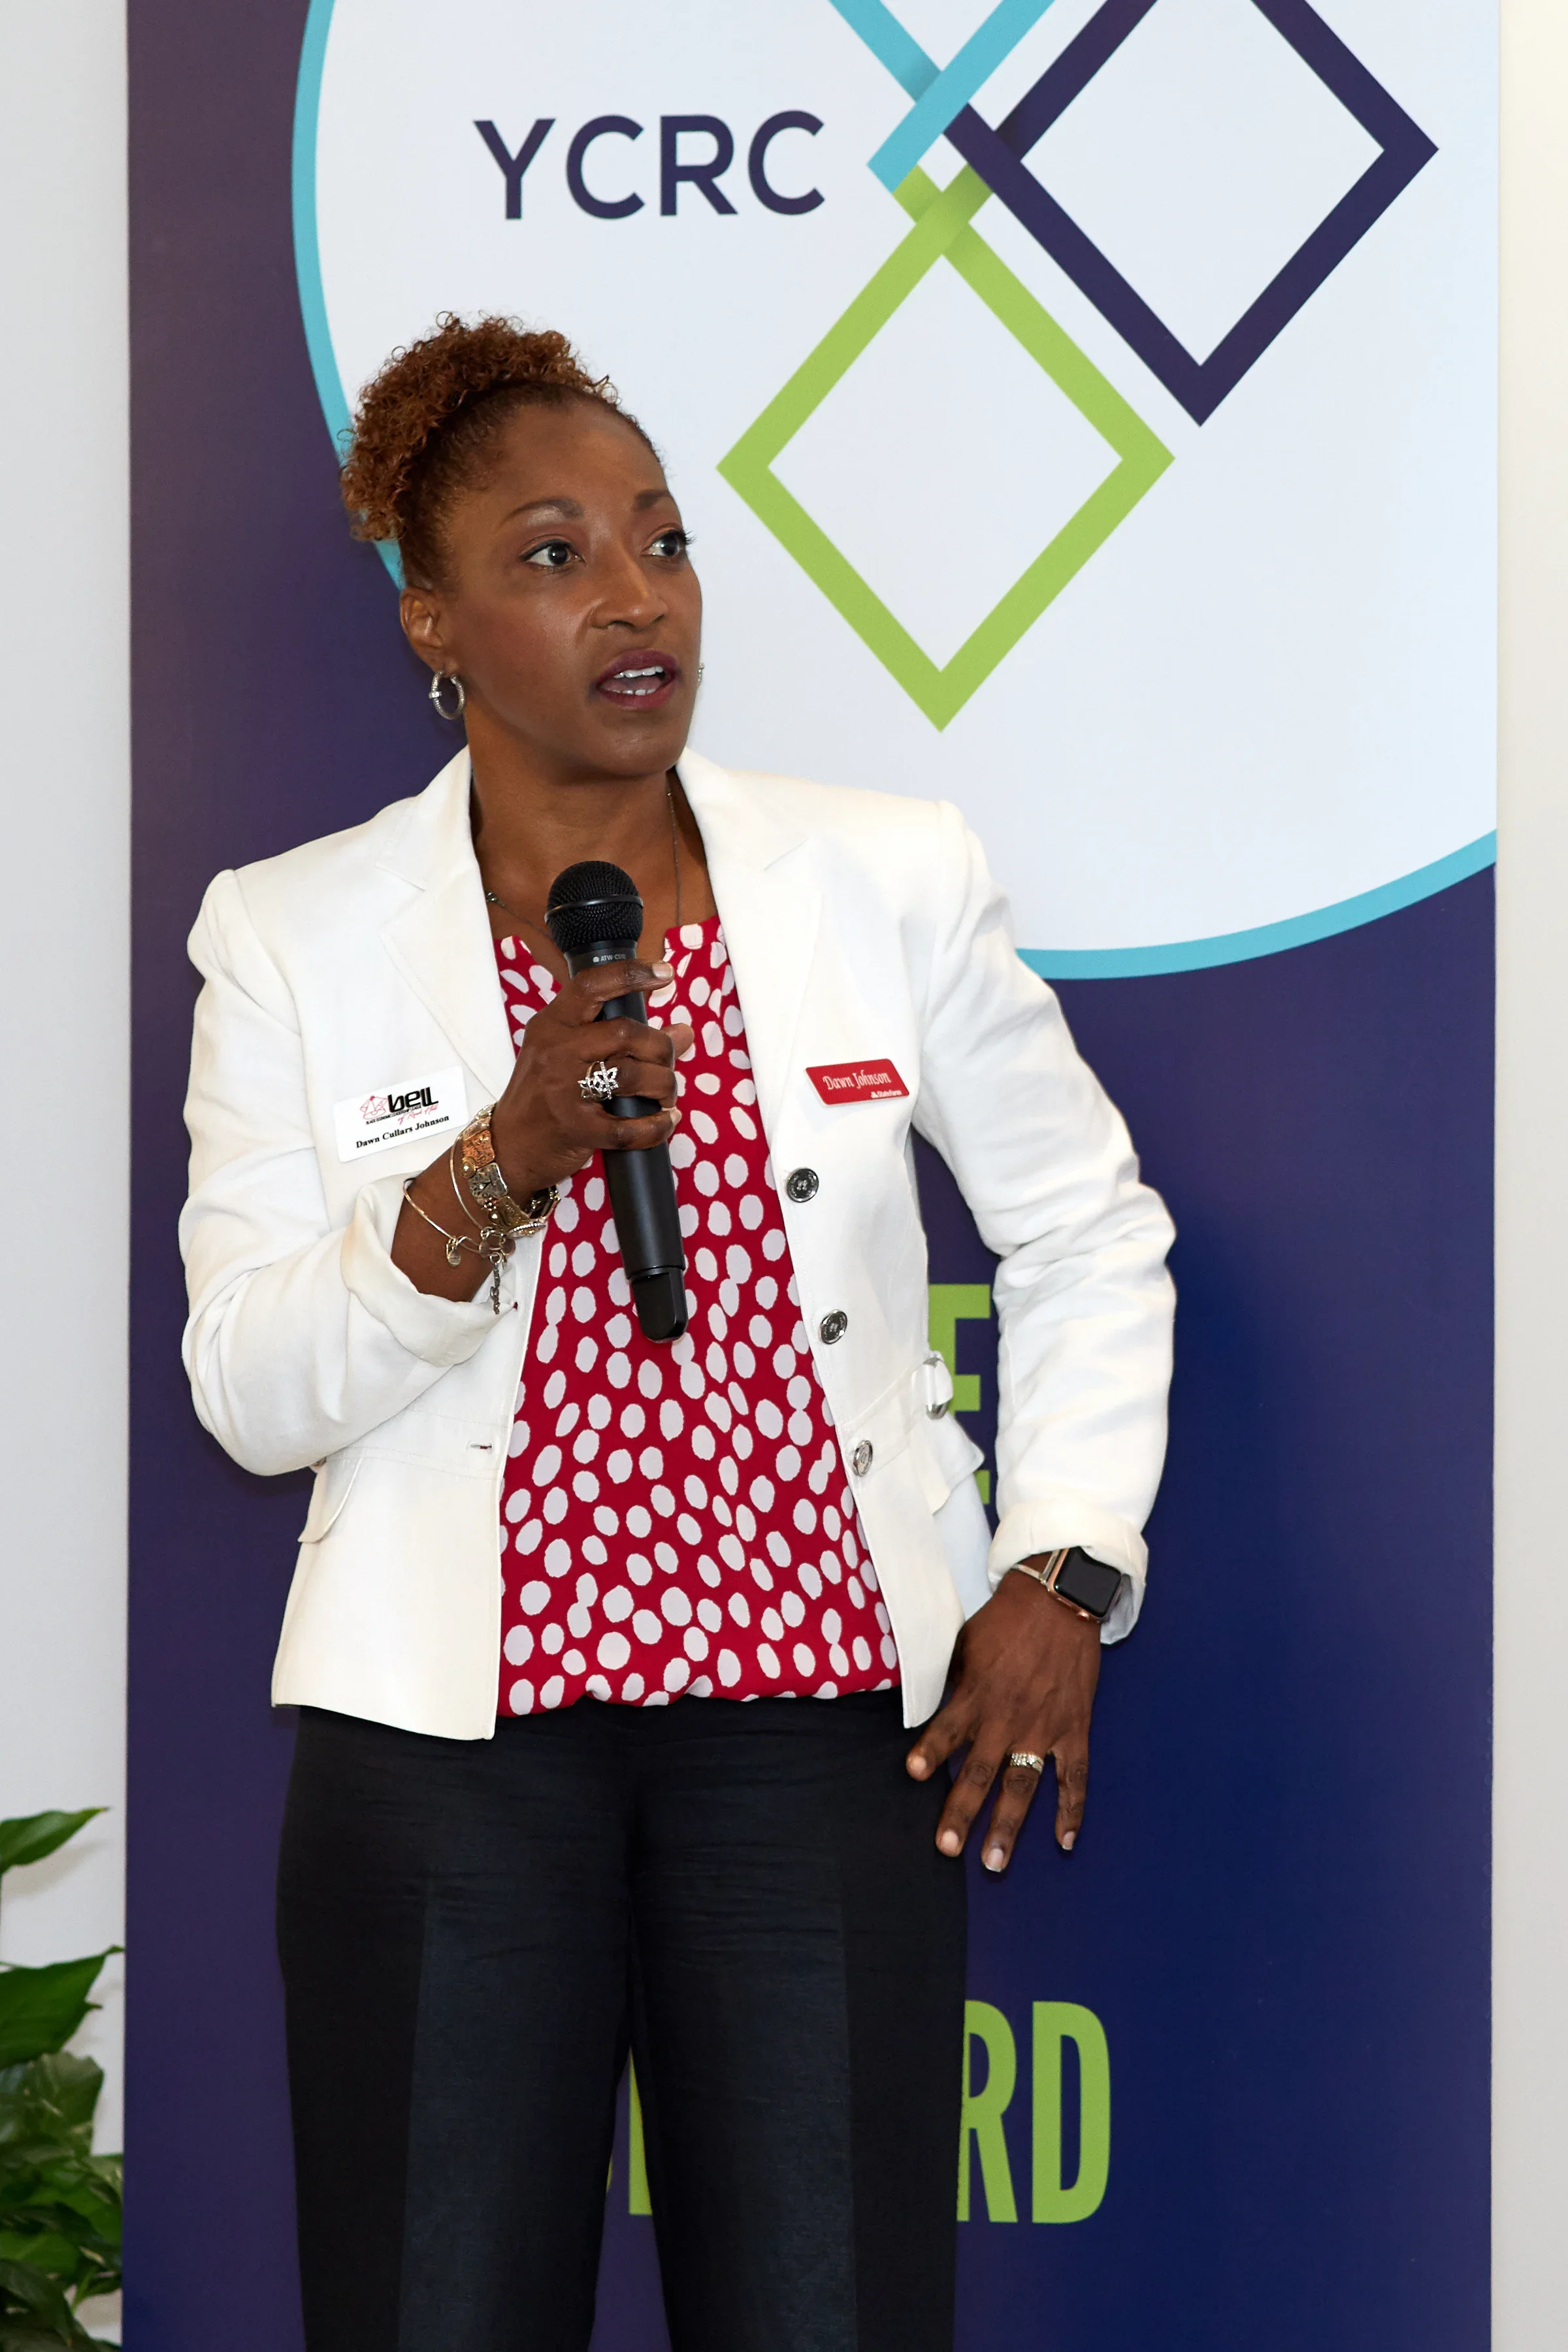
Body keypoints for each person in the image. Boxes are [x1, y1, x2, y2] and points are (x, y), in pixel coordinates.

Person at [180, 313, 1175, 2352]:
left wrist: (1063, 1565)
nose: (636, 596)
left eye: (660, 538)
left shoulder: (885, 875)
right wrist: (497, 1163)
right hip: (449, 1767)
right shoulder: (290, 935)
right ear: (432, 624)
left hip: (816, 1747)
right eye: (553, 557)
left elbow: (1089, 1231)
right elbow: (254, 1392)